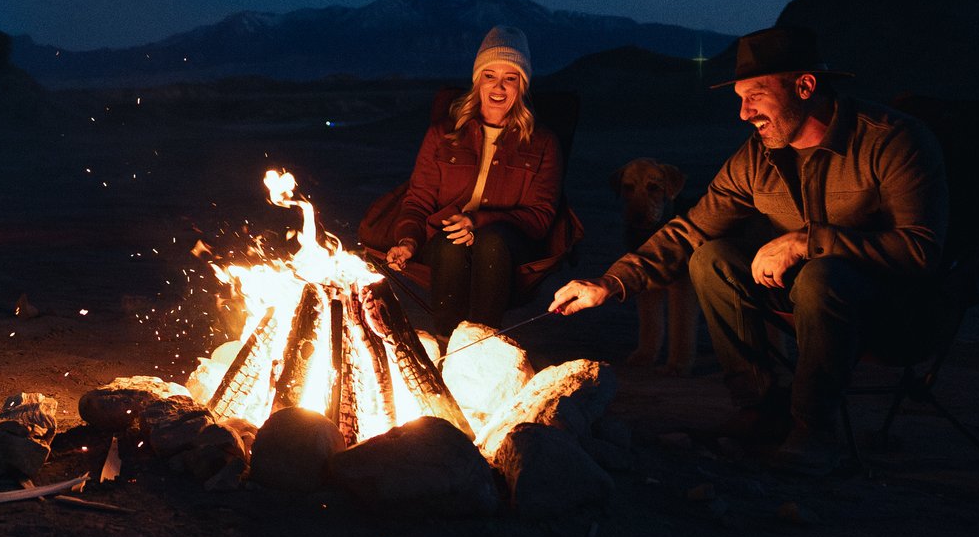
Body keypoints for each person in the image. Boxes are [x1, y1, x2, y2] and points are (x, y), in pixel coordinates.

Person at [551, 25, 948, 475]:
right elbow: (689, 230)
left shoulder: (891, 141)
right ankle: (759, 409)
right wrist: (610, 283)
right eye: (739, 98)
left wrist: (807, 241)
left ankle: (814, 426)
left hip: (894, 309)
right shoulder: (756, 159)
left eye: (756, 95)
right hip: (802, 301)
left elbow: (920, 250)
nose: (744, 113)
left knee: (821, 273)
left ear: (804, 86)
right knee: (711, 258)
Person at [382, 26, 566, 341]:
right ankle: (448, 342)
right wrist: (409, 241)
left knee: (490, 242)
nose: (498, 87)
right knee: (451, 244)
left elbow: (540, 217)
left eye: (510, 78)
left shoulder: (543, 143)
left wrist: (478, 221)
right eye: (489, 75)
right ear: (477, 80)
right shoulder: (444, 134)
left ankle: (483, 343)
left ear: (522, 85)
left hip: (508, 244)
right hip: (447, 238)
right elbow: (419, 200)